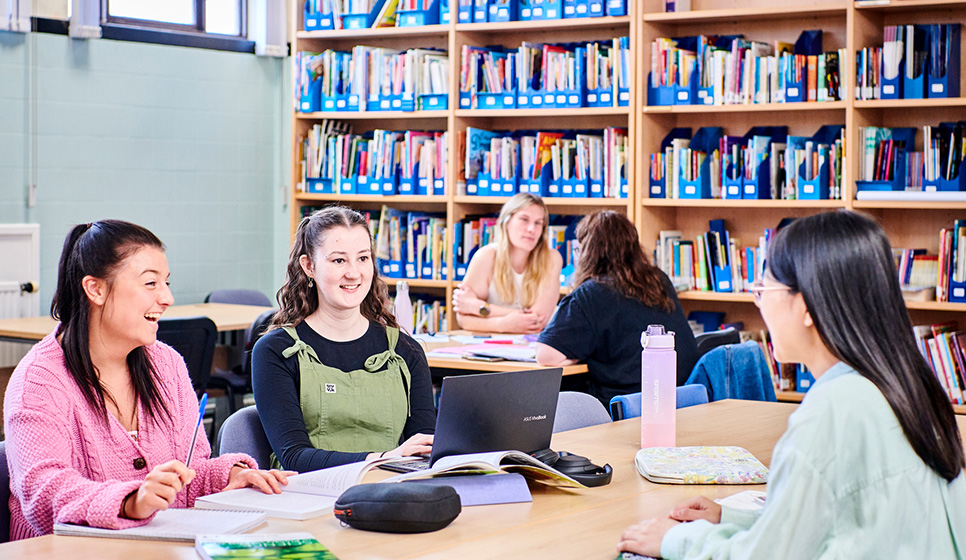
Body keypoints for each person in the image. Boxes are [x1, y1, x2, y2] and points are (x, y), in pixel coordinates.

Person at [617, 211, 966, 559]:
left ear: (806, 306)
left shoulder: (832, 412)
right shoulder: (908, 385)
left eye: (763, 290)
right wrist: (733, 516)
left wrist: (675, 540)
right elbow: (854, 516)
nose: (759, 302)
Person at [3, 220, 291, 541]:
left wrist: (231, 476)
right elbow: (42, 493)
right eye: (151, 283)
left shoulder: (165, 363)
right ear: (95, 289)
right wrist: (130, 501)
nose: (167, 298)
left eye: (166, 283)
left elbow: (187, 474)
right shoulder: (39, 380)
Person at [252, 206, 436, 472]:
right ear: (309, 266)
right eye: (339, 261)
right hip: (307, 497)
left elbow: (424, 448)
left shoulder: (406, 350)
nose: (354, 273)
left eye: (363, 258)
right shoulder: (275, 351)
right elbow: (294, 456)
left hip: (392, 493)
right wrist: (386, 457)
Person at [535, 211, 699, 406]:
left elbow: (545, 355)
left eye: (578, 251)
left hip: (621, 409)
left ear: (588, 252)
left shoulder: (591, 293)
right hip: (673, 403)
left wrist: (576, 355)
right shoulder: (658, 280)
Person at [452, 193, 563, 334]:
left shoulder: (552, 258)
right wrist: (502, 324)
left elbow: (537, 321)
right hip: (491, 347)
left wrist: (481, 308)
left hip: (536, 347)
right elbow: (464, 318)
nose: (531, 229)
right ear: (506, 222)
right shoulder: (486, 256)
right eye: (524, 219)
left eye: (538, 223)